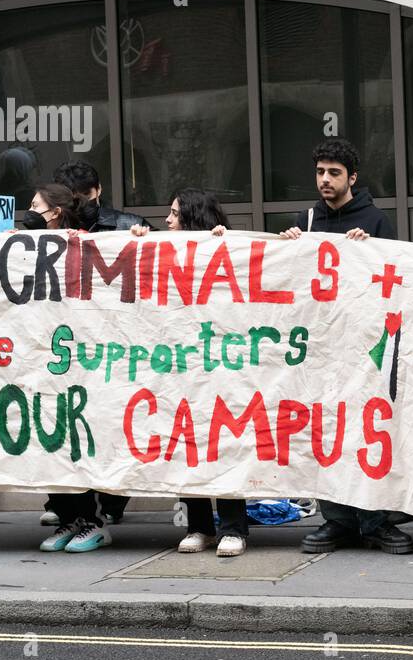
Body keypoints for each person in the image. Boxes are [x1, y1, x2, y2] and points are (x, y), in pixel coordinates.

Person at [282, 139, 410, 555]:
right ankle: (336, 520)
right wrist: (289, 248)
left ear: (352, 178)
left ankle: (373, 520)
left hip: (364, 352)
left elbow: (395, 285)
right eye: (320, 172)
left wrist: (368, 253)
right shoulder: (306, 222)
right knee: (326, 434)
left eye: (334, 173)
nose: (325, 180)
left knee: (365, 434)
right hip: (320, 352)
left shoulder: (375, 222)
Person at [130, 190, 247, 557]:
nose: (167, 221)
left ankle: (233, 529)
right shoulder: (164, 253)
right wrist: (133, 241)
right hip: (179, 371)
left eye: (175, 215)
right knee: (187, 447)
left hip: (222, 370)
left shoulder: (228, 250)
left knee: (223, 446)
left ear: (194, 219)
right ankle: (200, 527)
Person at [52, 160, 142, 524]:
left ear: (98, 191)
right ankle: (66, 508)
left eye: (84, 197)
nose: (82, 205)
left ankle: (112, 502)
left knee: (108, 423)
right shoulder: (52, 229)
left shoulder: (127, 225)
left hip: (115, 345)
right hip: (68, 344)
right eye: (73, 200)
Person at [25, 185, 113, 554]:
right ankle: (67, 519)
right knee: (47, 442)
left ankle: (91, 521)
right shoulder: (20, 249)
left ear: (56, 213)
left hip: (79, 365)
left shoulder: (87, 245)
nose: (28, 212)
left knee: (75, 442)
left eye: (35, 207)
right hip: (39, 364)